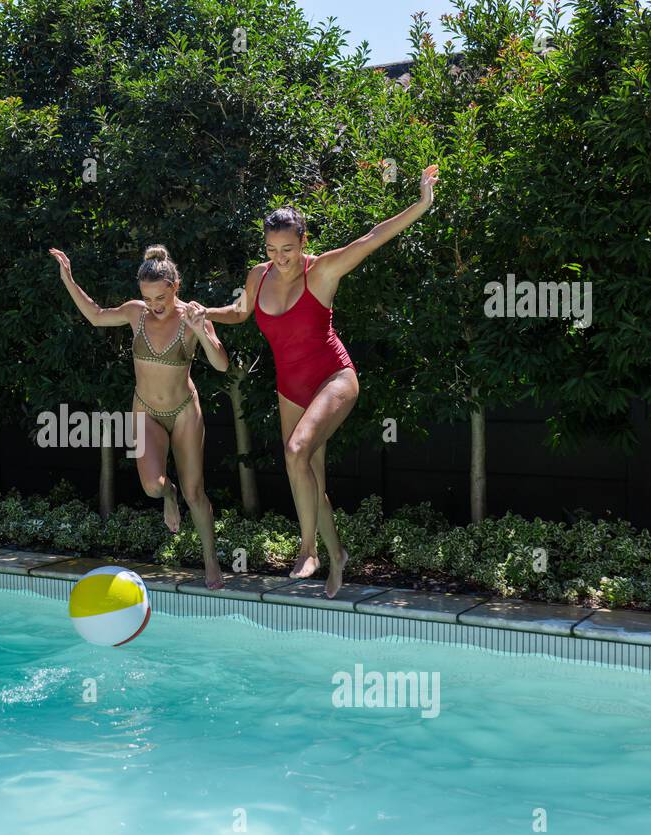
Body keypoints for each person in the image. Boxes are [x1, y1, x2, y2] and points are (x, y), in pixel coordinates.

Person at [197, 165, 440, 596]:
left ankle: (308, 547)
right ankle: (336, 556)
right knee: (308, 472)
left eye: (287, 249)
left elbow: (371, 239)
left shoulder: (322, 271)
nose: (280, 258)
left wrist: (421, 203)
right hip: (291, 387)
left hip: (334, 378)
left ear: (304, 242)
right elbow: (241, 312)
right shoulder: (259, 275)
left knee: (294, 452)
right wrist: (207, 313)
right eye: (272, 249)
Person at [50, 244, 231, 589]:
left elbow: (221, 364)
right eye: (147, 299)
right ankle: (168, 495)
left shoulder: (191, 316)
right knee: (151, 486)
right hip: (145, 409)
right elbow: (97, 314)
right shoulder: (136, 314)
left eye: (160, 298)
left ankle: (210, 560)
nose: (154, 306)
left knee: (196, 494)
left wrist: (203, 331)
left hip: (183, 411)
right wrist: (69, 279)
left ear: (175, 286)